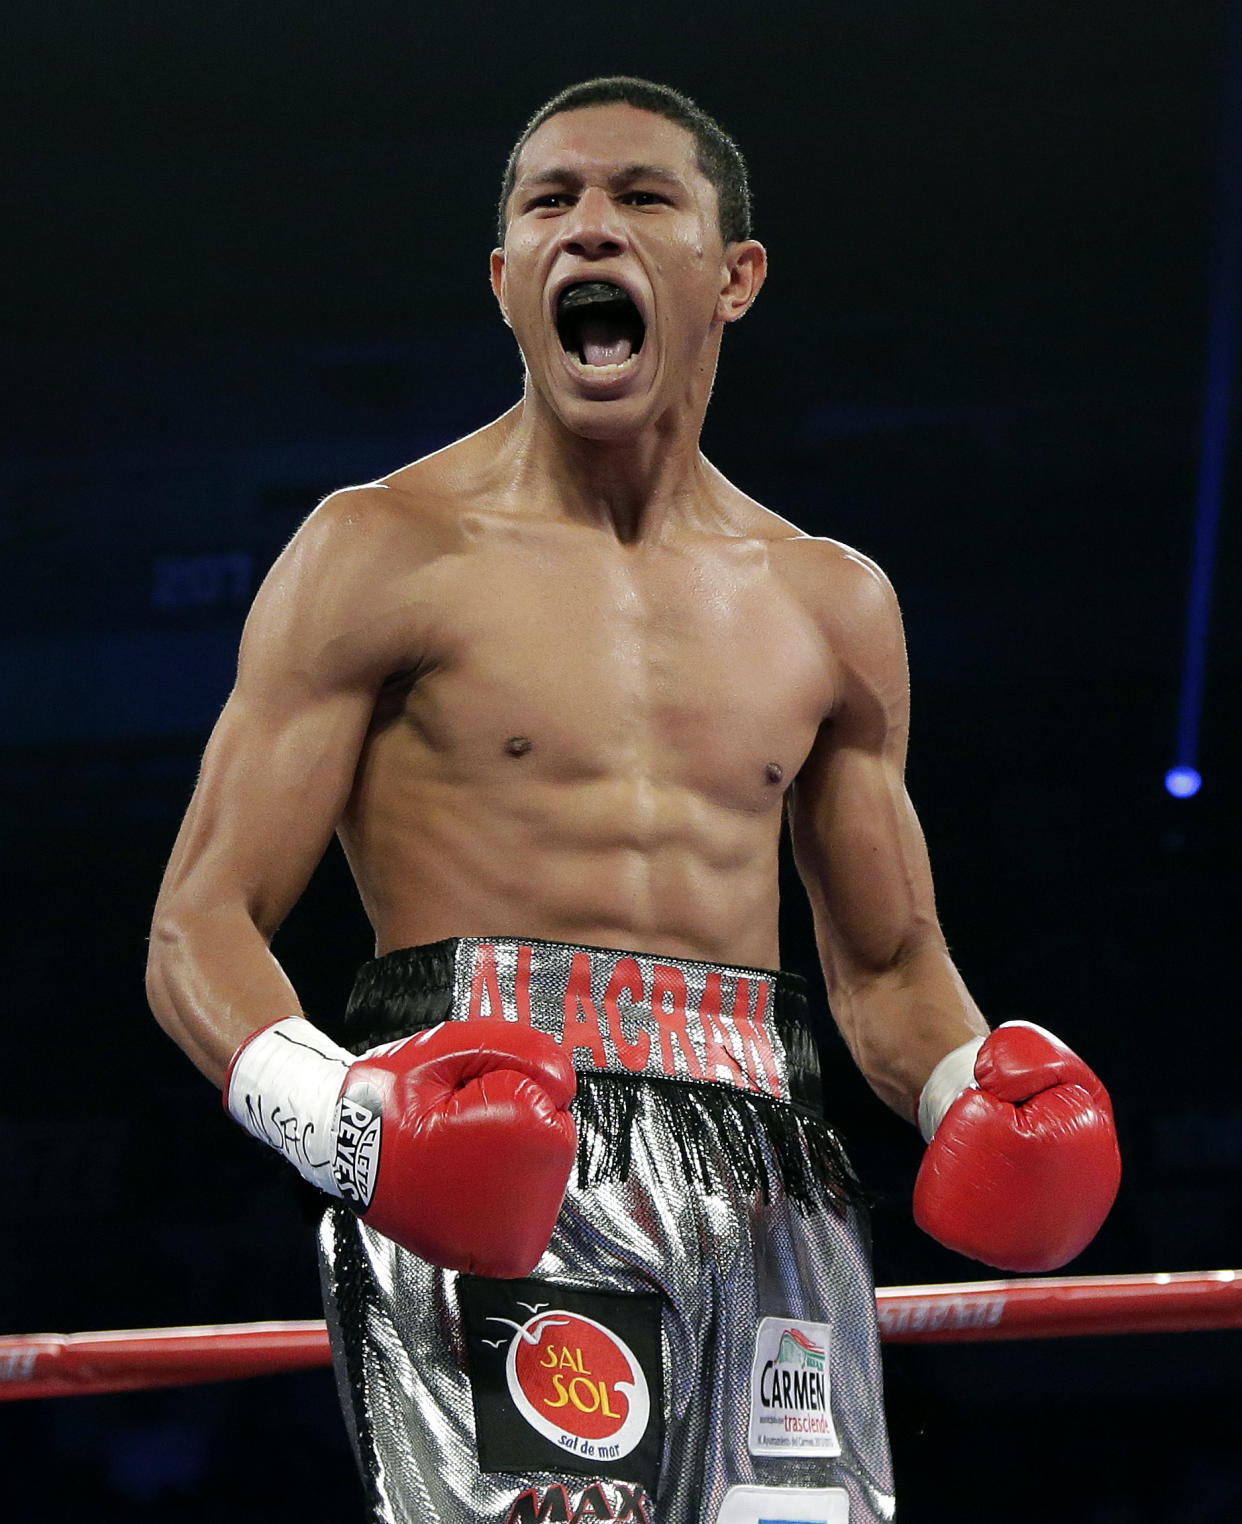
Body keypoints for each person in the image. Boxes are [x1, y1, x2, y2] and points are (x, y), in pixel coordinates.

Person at [146, 77, 1121, 1524]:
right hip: (495, 1146)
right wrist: (346, 1120)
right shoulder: (381, 550)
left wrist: (962, 1088)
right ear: (503, 281)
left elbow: (888, 967)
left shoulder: (830, 600)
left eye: (639, 198)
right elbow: (195, 927)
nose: (586, 230)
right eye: (548, 204)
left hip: (771, 1163)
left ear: (731, 278)